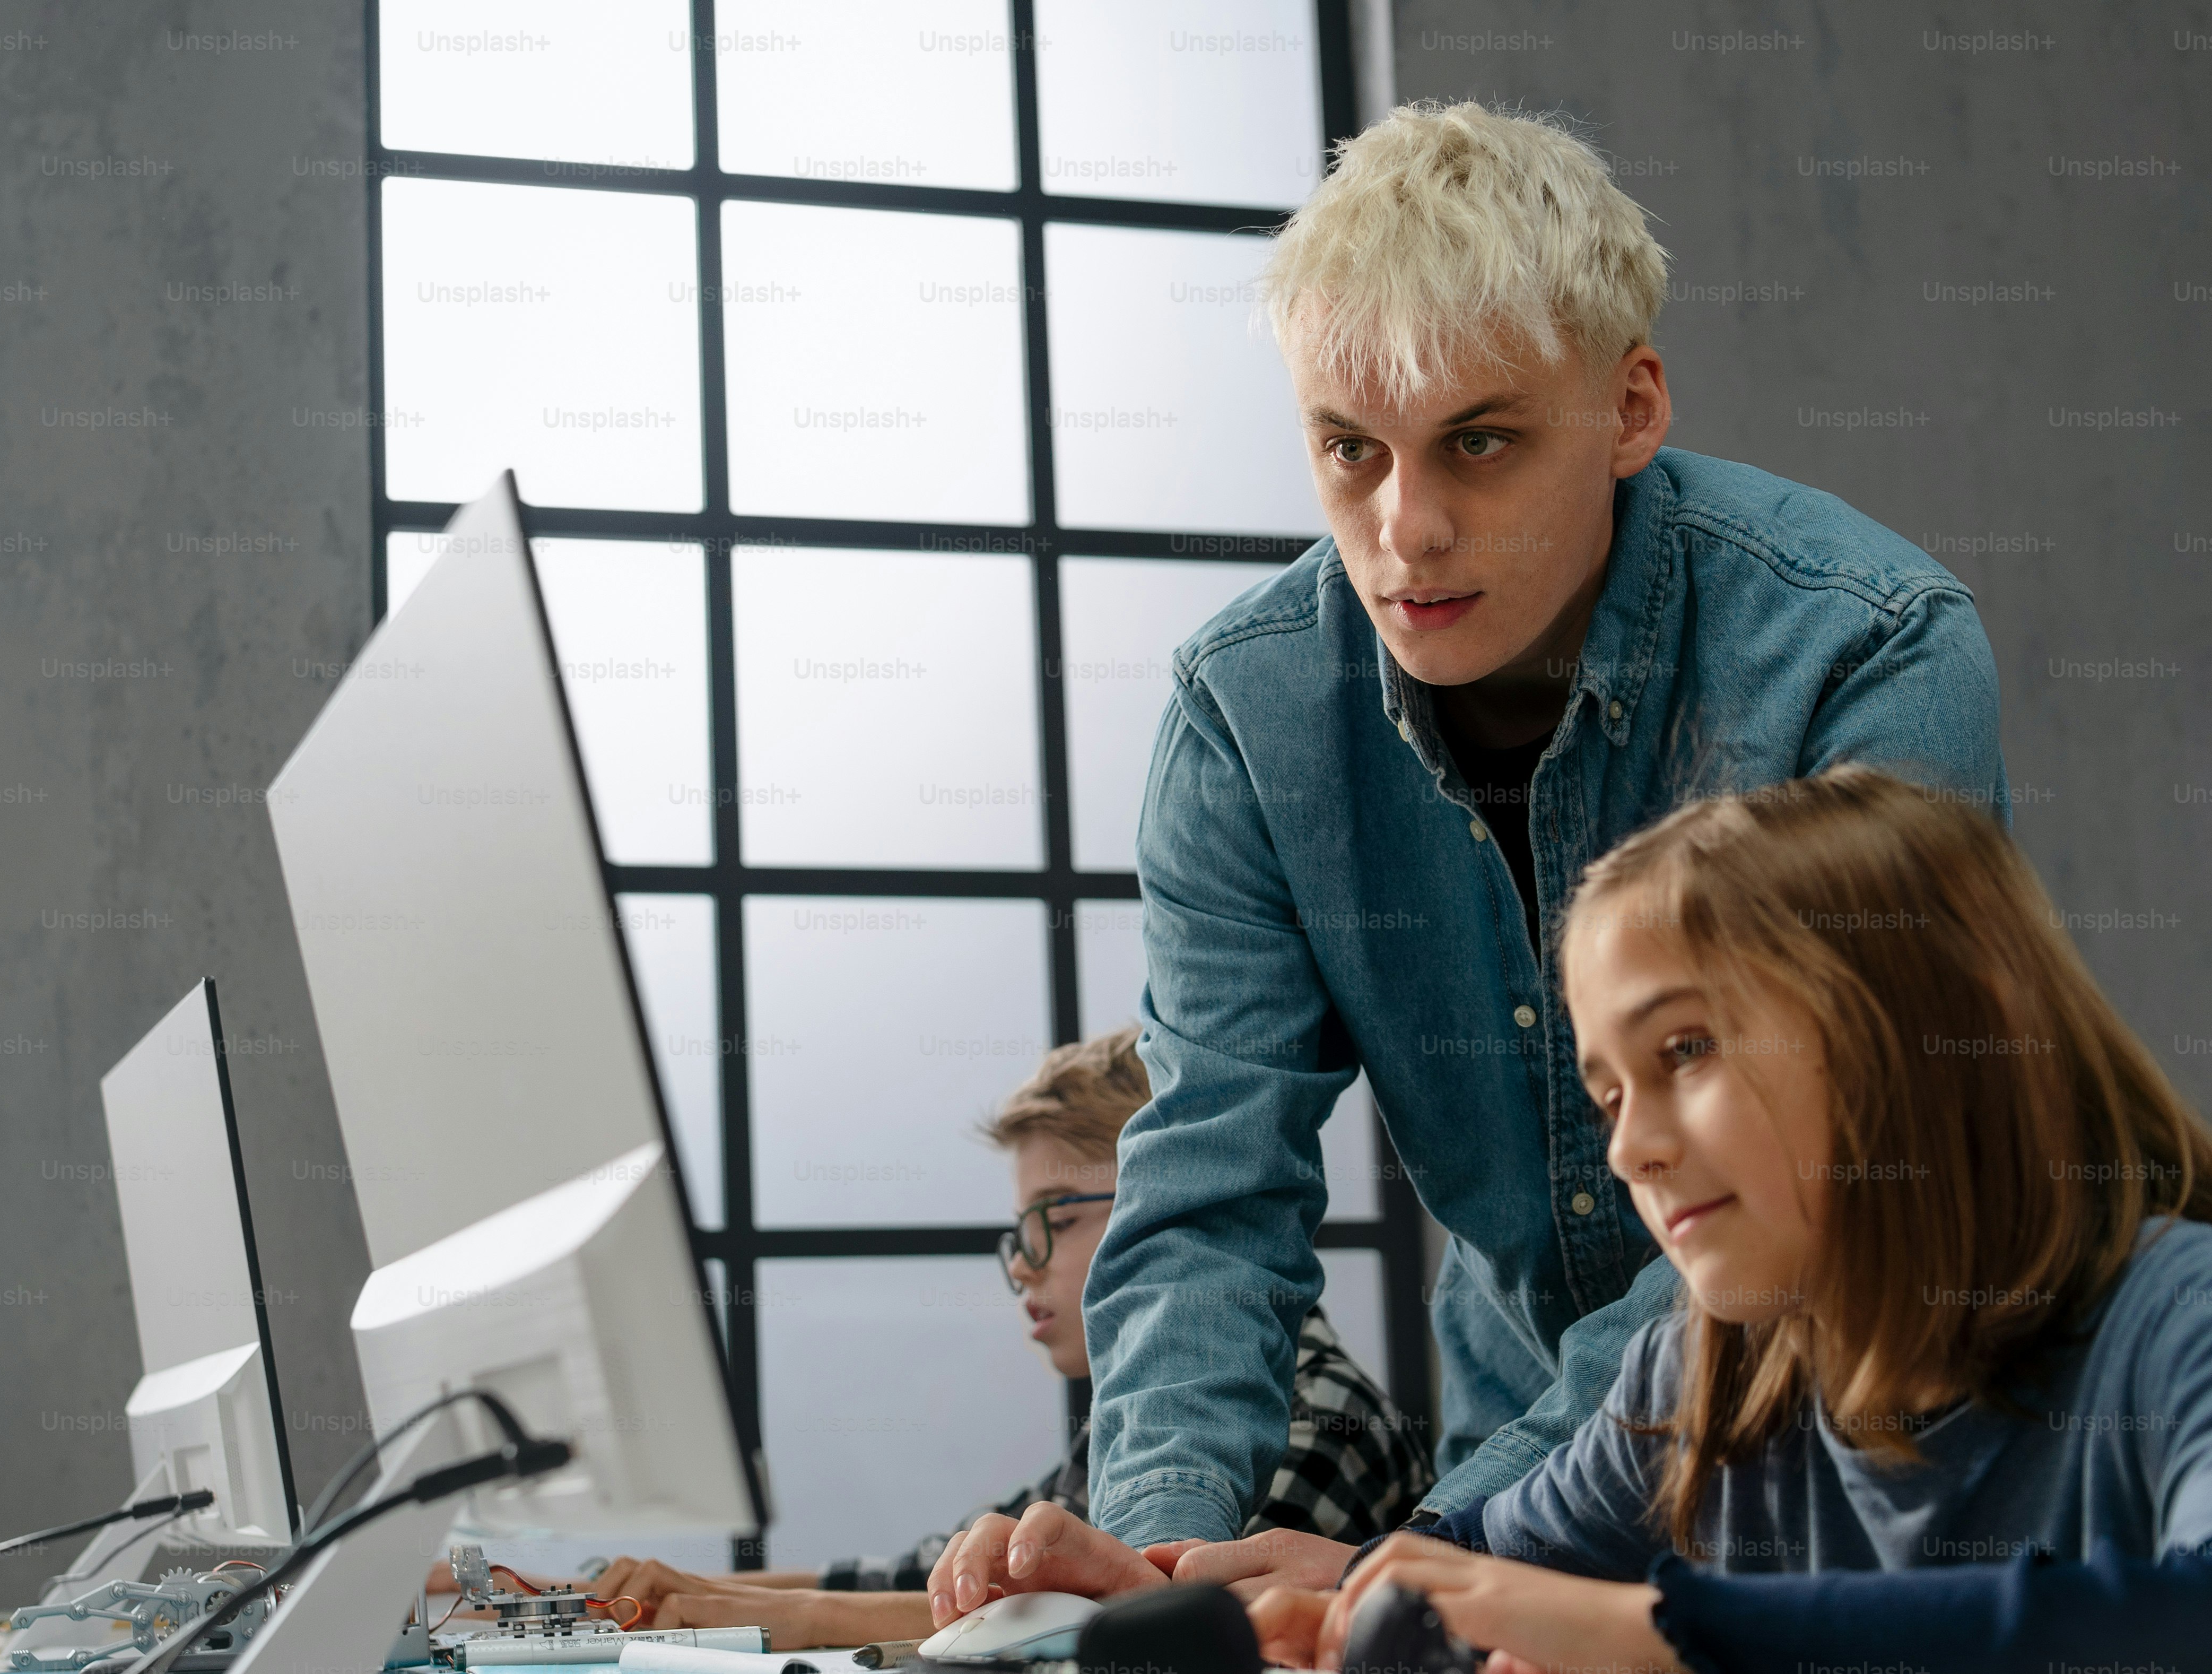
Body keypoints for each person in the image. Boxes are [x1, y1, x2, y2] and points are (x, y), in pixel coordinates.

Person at [1043, 99, 2008, 1601]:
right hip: (1504, 1495)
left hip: (1877, 1494)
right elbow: (1211, 1186)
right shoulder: (1246, 717)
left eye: (1477, 443)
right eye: (1347, 450)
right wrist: (1160, 1557)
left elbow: (1838, 1180)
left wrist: (1446, 1541)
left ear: (1630, 408)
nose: (1404, 527)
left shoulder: (1866, 652)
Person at [954, 769, 2212, 1672]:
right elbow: (1491, 1572)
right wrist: (1322, 1614)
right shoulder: (1703, 1371)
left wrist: (1652, 1633)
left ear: (1916, 1038)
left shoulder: (2177, 1320)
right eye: (1607, 1091)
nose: (1630, 1147)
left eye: (1687, 1050)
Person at [568, 1028, 1429, 1649]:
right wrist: (670, 1591)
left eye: (1049, 1218)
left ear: (1164, 1206)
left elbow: (1129, 1633)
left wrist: (771, 1617)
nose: (1021, 1267)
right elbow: (925, 1576)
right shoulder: (1132, 1429)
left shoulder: (1318, 1419)